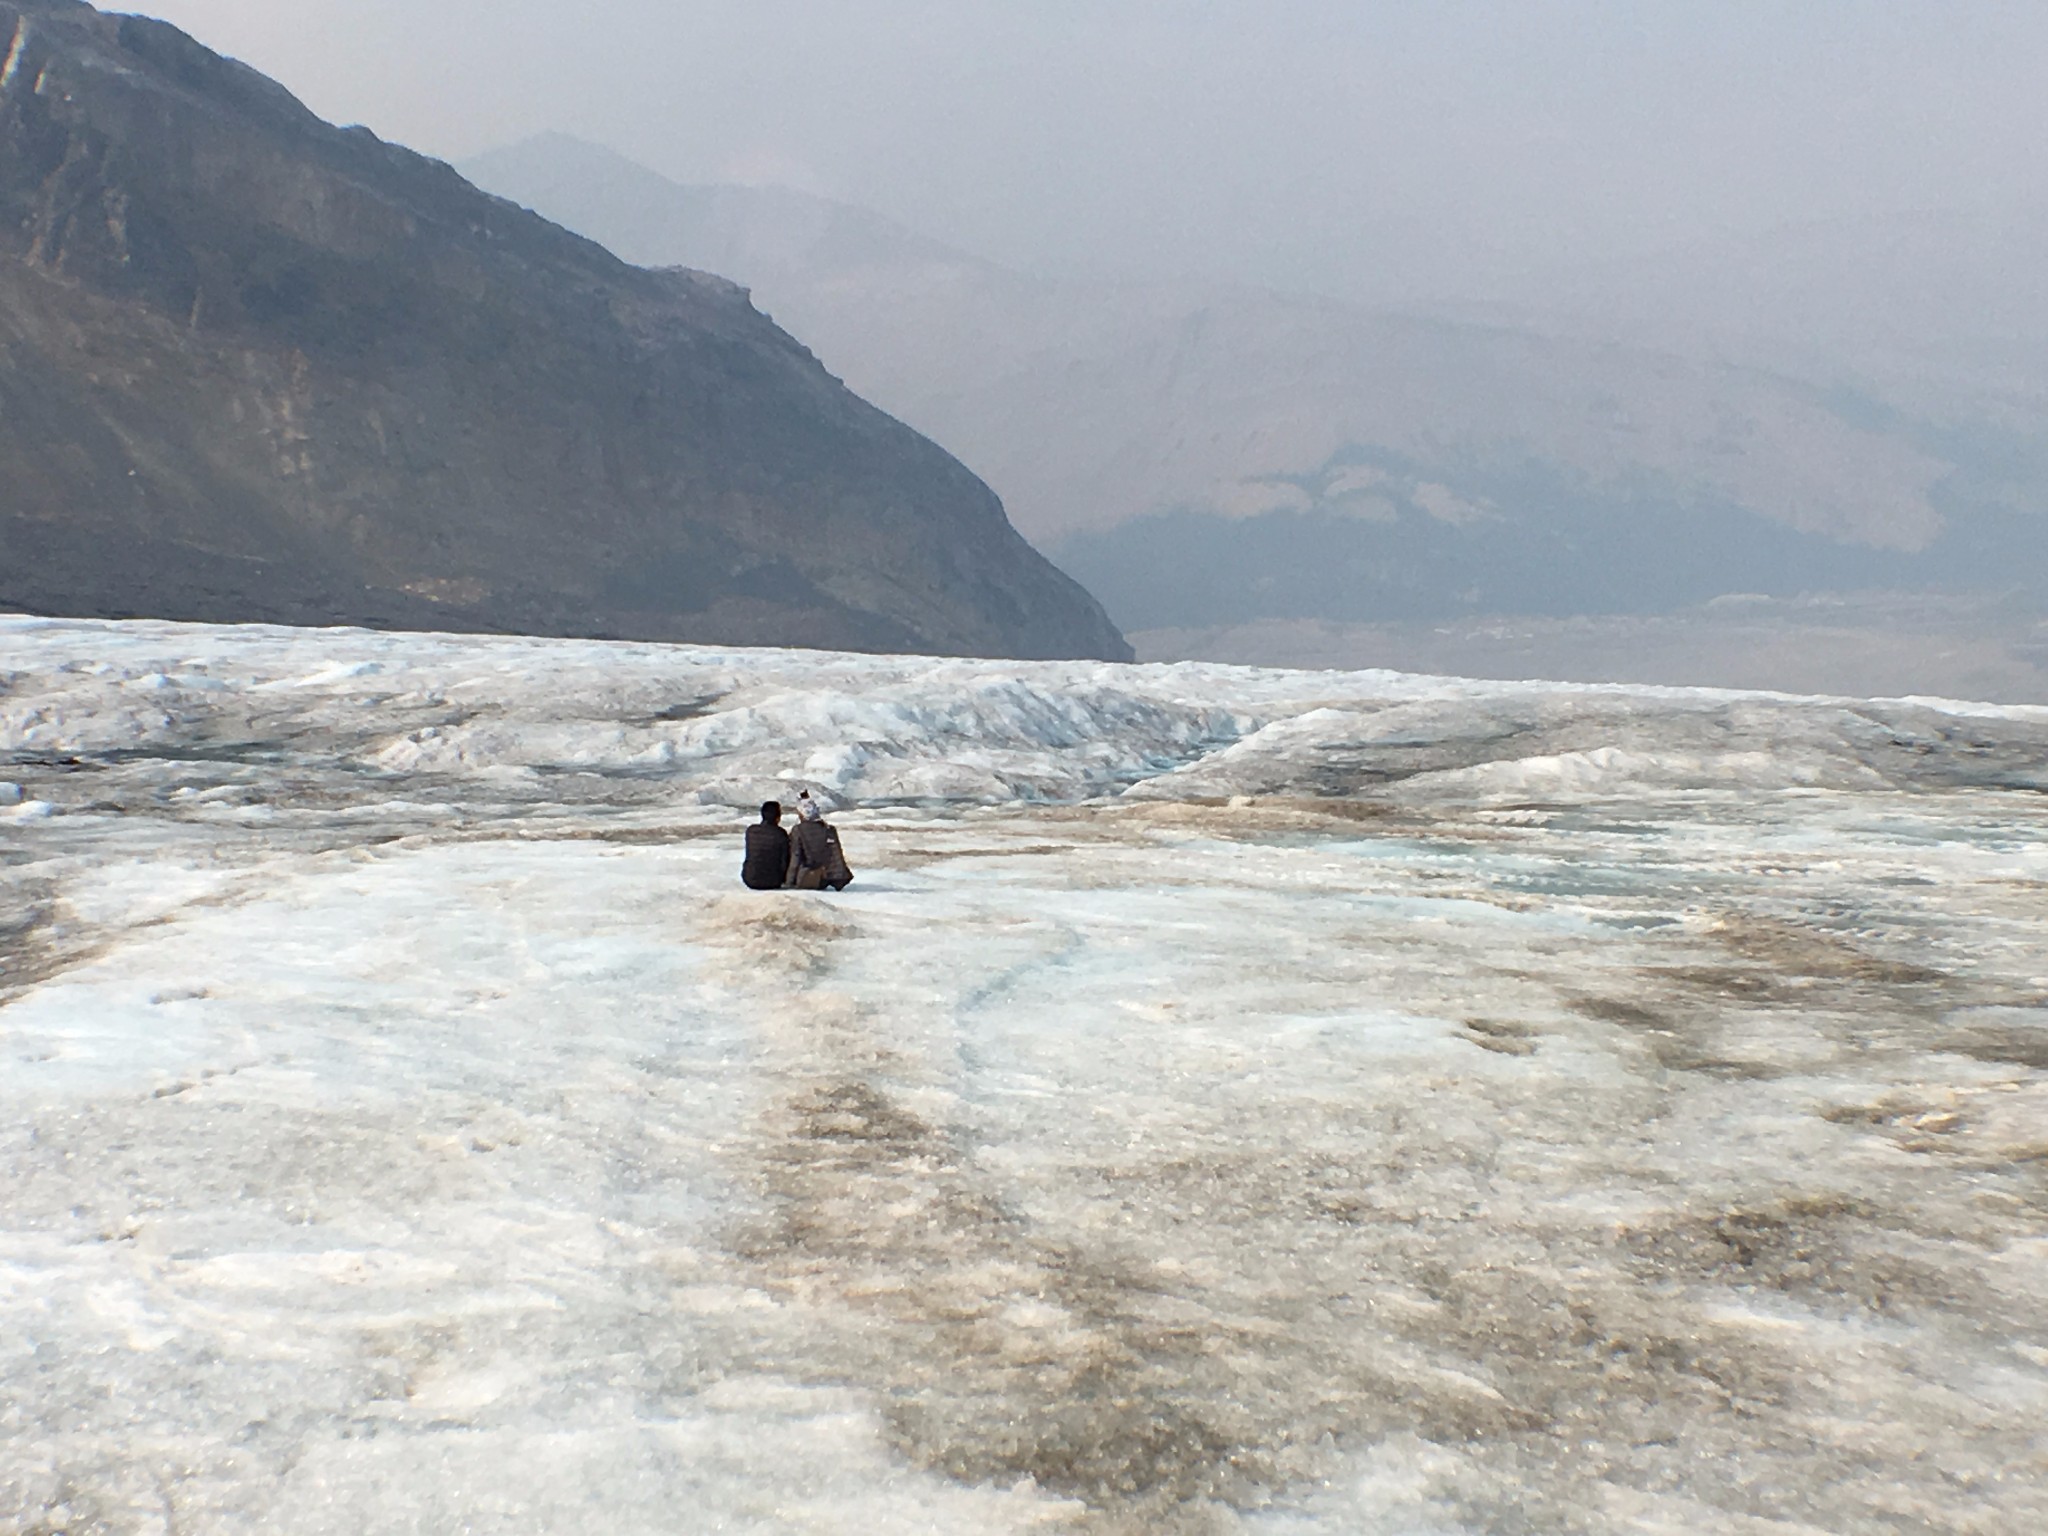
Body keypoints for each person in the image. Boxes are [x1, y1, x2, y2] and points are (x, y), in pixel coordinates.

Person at [786, 794, 853, 891]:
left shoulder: (798, 830)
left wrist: (789, 882)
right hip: (826, 879)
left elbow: (795, 857)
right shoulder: (829, 829)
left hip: (806, 878)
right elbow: (837, 856)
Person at [741, 801, 791, 890]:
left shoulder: (751, 831)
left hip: (750, 879)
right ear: (777, 817)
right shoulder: (780, 833)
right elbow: (784, 861)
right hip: (773, 881)